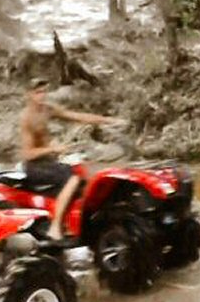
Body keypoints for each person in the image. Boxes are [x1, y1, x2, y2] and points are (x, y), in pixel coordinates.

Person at [20, 79, 126, 242]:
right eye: (37, 92)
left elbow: (77, 116)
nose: (41, 96)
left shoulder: (47, 109)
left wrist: (109, 121)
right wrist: (53, 149)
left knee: (85, 176)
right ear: (29, 94)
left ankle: (81, 223)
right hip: (34, 166)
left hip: (49, 162)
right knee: (74, 177)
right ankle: (55, 227)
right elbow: (27, 154)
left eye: (43, 91)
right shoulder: (27, 118)